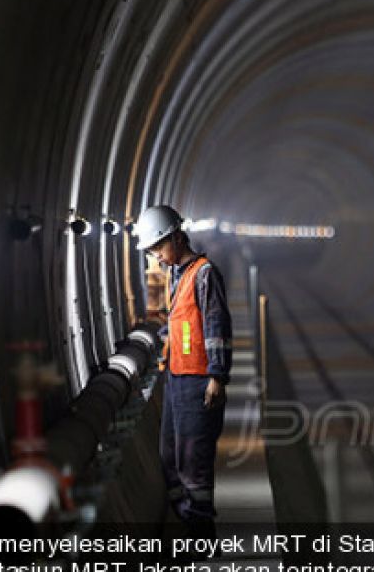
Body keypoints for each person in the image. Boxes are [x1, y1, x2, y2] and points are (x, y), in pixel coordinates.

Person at [133, 204, 232, 540]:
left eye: (158, 247)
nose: (157, 256)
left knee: (194, 463)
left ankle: (202, 537)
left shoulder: (204, 274)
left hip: (200, 381)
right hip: (177, 377)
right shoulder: (176, 274)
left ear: (176, 237)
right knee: (169, 458)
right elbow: (171, 321)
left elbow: (216, 325)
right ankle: (188, 522)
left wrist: (217, 376)